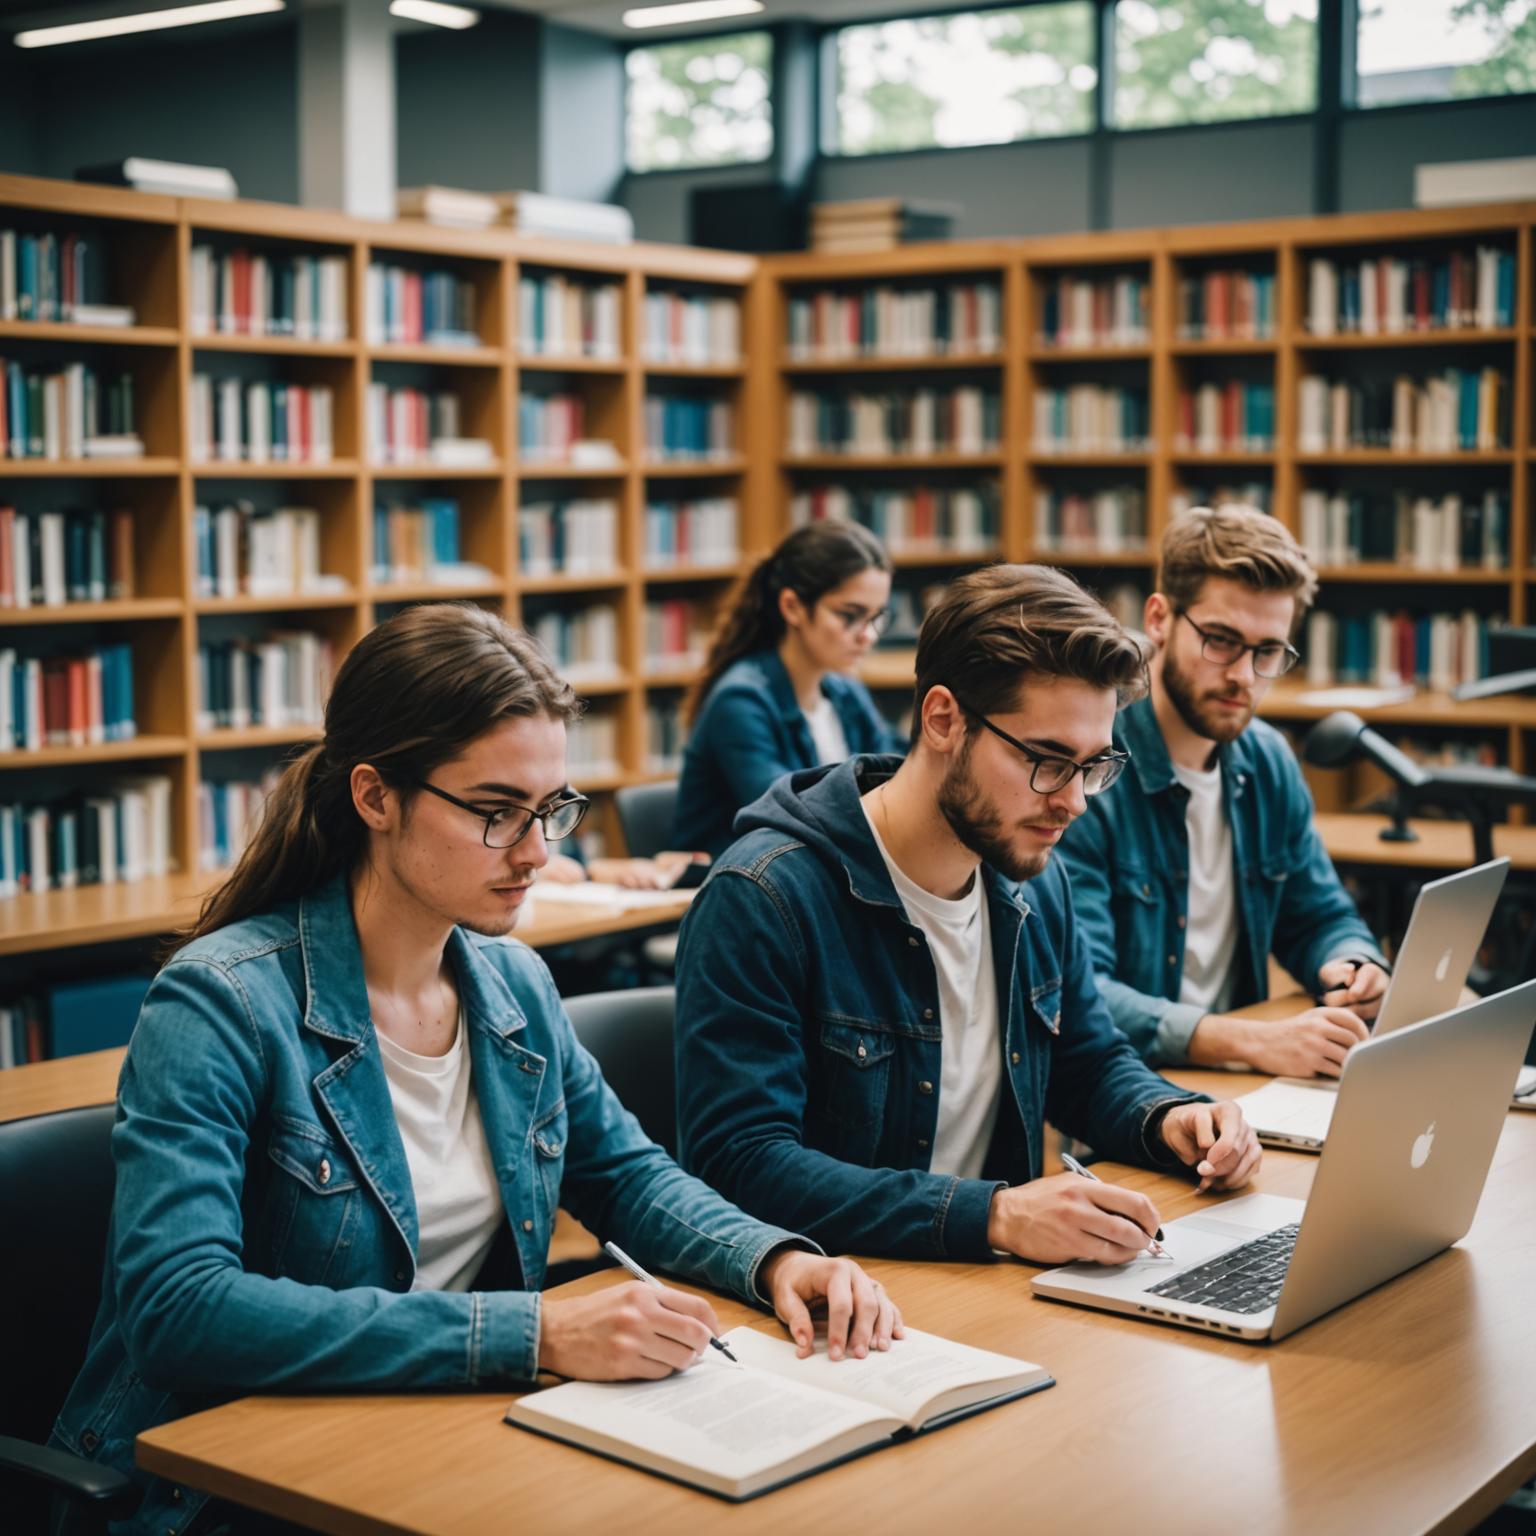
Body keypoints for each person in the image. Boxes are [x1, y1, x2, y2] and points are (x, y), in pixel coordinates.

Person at [52, 603, 900, 1536]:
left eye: (552, 812)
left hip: (434, 1442)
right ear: (375, 797)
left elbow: (628, 1177)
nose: (539, 854)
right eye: (497, 814)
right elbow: (182, 1308)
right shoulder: (218, 1002)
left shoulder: (511, 983)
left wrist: (773, 1259)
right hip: (227, 1493)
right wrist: (533, 1333)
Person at [673, 564, 1260, 1268]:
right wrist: (996, 1214)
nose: (1073, 802)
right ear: (944, 719)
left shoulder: (1035, 881)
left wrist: (1168, 1117)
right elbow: (741, 1163)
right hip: (832, 1307)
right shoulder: (764, 897)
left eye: (1093, 767)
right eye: (1047, 761)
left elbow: (1087, 1059)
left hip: (980, 1289)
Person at [1056, 505, 1390, 1076]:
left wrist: (1351, 965)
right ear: (1159, 618)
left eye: (1268, 653)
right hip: (1129, 1089)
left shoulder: (1267, 761)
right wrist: (1252, 1042)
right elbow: (1080, 991)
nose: (1244, 676)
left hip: (1244, 1081)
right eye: (1220, 640)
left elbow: (1319, 915)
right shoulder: (1089, 769)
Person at [674, 519, 905, 858]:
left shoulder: (847, 693)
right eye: (850, 615)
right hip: (742, 893)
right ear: (793, 607)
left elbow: (896, 783)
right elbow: (790, 816)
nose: (867, 635)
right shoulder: (740, 700)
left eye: (876, 618)